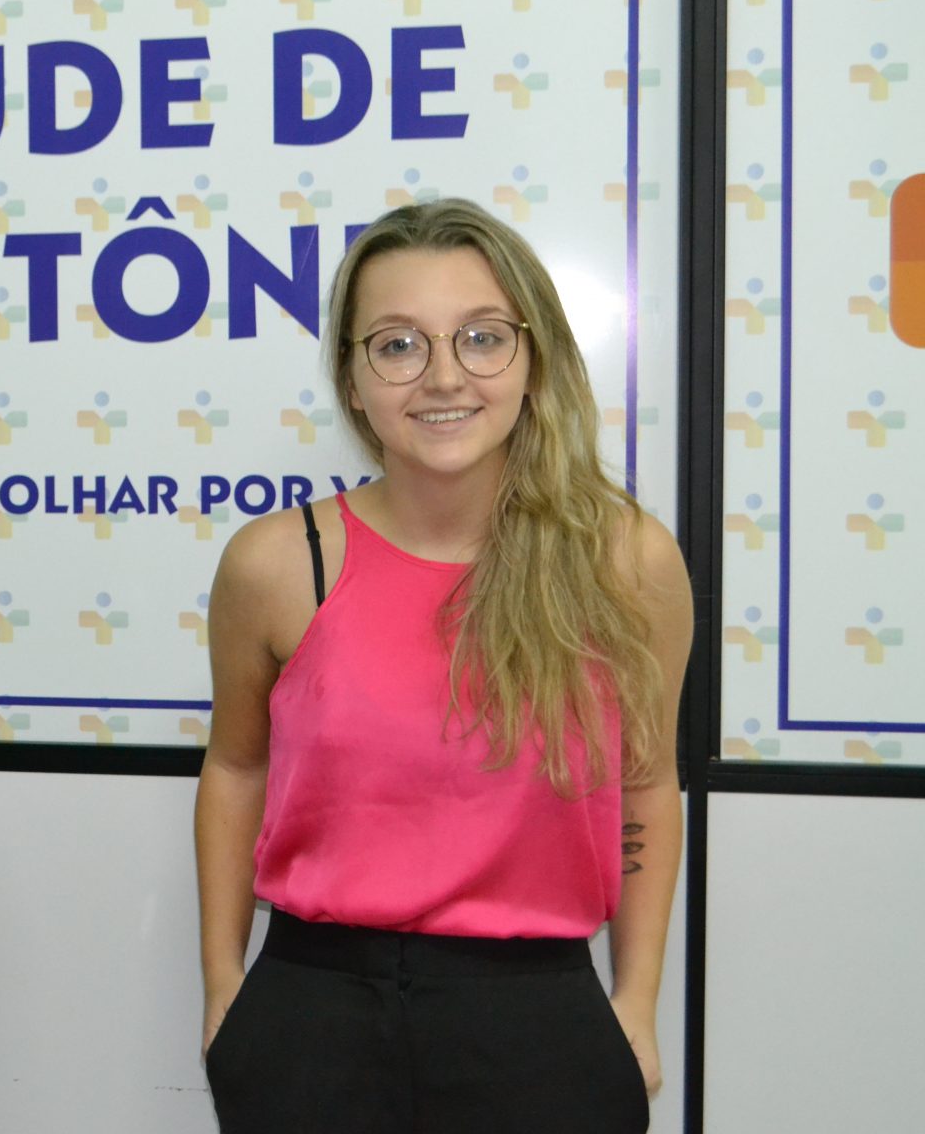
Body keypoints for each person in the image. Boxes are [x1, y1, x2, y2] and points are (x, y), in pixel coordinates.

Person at [194, 199, 691, 1133]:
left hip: (542, 1027)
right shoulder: (277, 564)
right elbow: (236, 768)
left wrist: (636, 1001)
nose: (444, 376)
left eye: (482, 337)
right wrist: (225, 987)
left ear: (535, 358)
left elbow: (648, 785)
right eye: (397, 345)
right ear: (352, 379)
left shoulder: (626, 563)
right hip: (311, 1020)